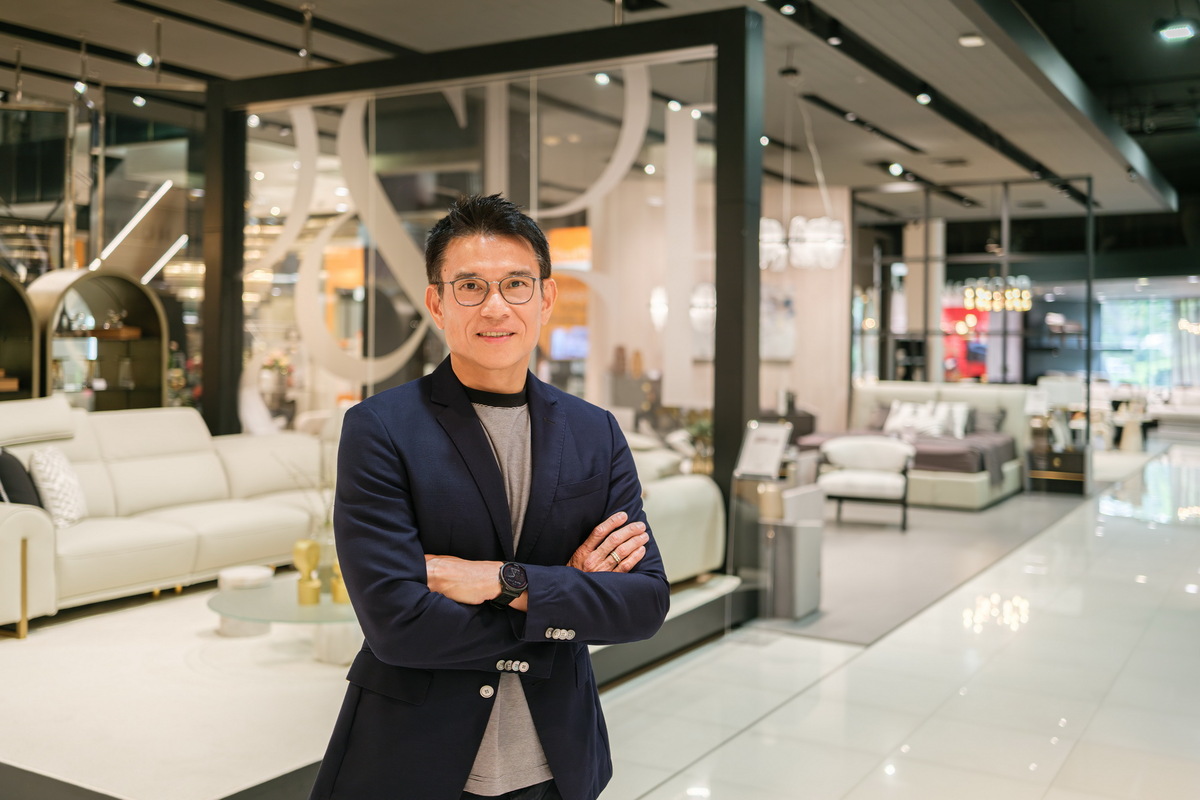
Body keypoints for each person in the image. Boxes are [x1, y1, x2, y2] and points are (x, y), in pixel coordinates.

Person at [309, 194, 670, 800]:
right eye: (470, 286)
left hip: (558, 761)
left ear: (546, 298)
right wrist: (561, 604)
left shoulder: (595, 431)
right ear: (437, 303)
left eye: (516, 284)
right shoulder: (380, 428)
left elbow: (644, 604)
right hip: (416, 759)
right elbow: (397, 624)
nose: (495, 306)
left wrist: (500, 581)